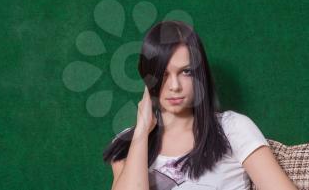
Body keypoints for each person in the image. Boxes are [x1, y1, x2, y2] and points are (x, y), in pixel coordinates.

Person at [102, 21, 297, 190]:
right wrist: (142, 130)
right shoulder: (128, 144)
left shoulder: (233, 128)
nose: (175, 86)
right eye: (163, 74)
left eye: (186, 72)